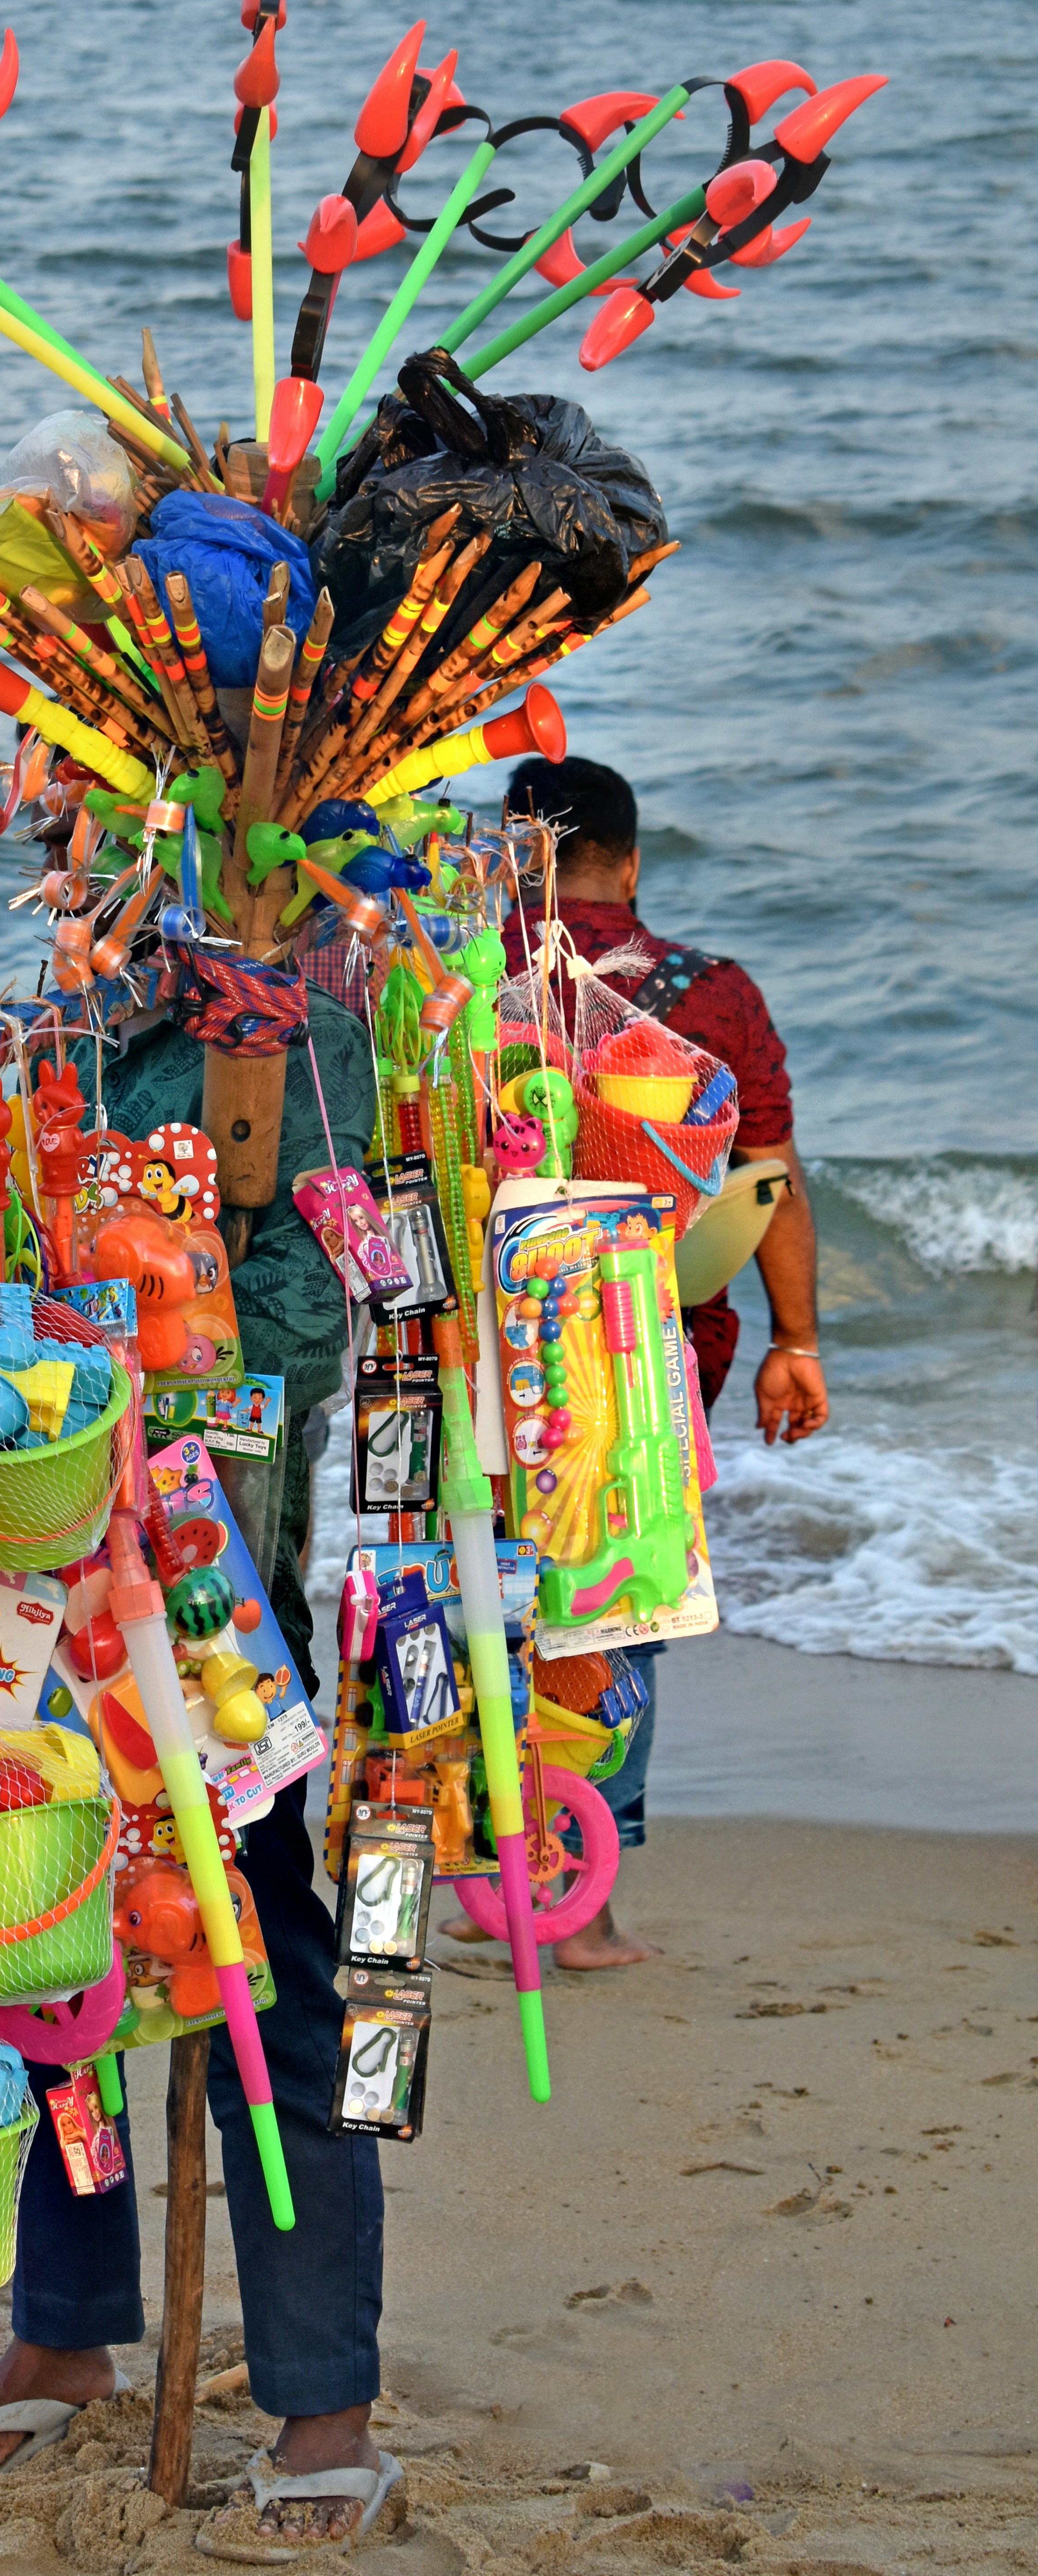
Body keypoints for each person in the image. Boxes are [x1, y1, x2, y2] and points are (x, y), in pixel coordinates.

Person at [0, 984, 400, 2558]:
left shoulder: (327, 1036)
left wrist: (183, 1311)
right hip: (34, 1576)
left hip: (217, 1600)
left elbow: (324, 1341)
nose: (85, 869)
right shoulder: (57, 1035)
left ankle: (323, 2395)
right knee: (39, 1946)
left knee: (267, 1977)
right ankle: (66, 2322)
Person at [493, 753, 830, 1967]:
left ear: (509, 858)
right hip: (646, 1359)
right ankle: (583, 1899)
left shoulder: (466, 991)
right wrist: (795, 1343)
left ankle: (476, 1854)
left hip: (480, 1355)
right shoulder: (713, 994)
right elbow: (768, 1180)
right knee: (616, 1601)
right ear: (630, 866)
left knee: (485, 1594)